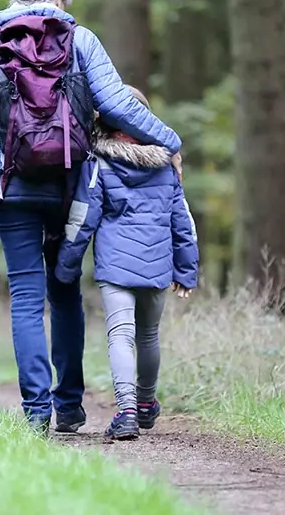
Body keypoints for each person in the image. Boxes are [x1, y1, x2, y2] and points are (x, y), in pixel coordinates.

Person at [0, 0, 182, 434]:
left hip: (13, 186)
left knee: (24, 296)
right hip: (71, 186)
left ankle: (36, 412)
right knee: (64, 291)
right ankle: (70, 406)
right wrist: (170, 141)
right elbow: (119, 104)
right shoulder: (81, 41)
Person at [55, 87, 199, 441]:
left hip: (116, 268)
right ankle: (147, 403)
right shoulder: (166, 166)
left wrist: (66, 267)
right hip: (157, 265)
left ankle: (127, 411)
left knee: (121, 336)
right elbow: (183, 222)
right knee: (148, 335)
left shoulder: (99, 164)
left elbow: (82, 218)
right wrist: (186, 270)